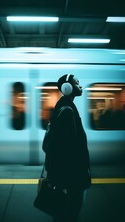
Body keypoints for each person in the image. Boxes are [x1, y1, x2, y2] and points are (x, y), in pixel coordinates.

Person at [44, 74, 91, 222]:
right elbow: (68, 149)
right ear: (67, 87)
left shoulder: (64, 106)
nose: (80, 86)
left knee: (63, 212)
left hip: (66, 175)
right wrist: (76, 175)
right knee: (71, 211)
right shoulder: (67, 111)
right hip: (72, 176)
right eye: (77, 83)